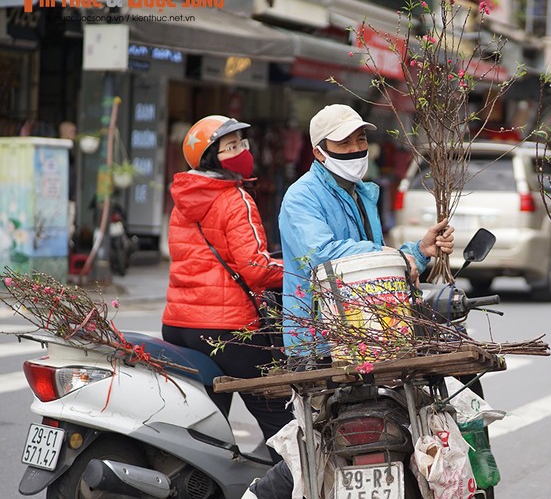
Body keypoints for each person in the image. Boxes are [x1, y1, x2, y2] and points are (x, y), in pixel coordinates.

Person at [278, 103, 454, 360]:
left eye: (361, 140)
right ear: (319, 153)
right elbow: (320, 255)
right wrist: (392, 256)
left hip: (366, 331)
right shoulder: (301, 196)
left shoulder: (363, 193)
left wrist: (419, 252)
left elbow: (372, 264)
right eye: (344, 143)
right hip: (320, 340)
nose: (356, 149)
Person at [162, 115, 291, 462]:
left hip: (178, 327)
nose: (242, 151)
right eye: (230, 147)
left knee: (209, 424)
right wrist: (300, 269)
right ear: (210, 158)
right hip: (228, 330)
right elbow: (256, 269)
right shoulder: (236, 199)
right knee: (282, 421)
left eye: (242, 143)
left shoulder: (183, 201)